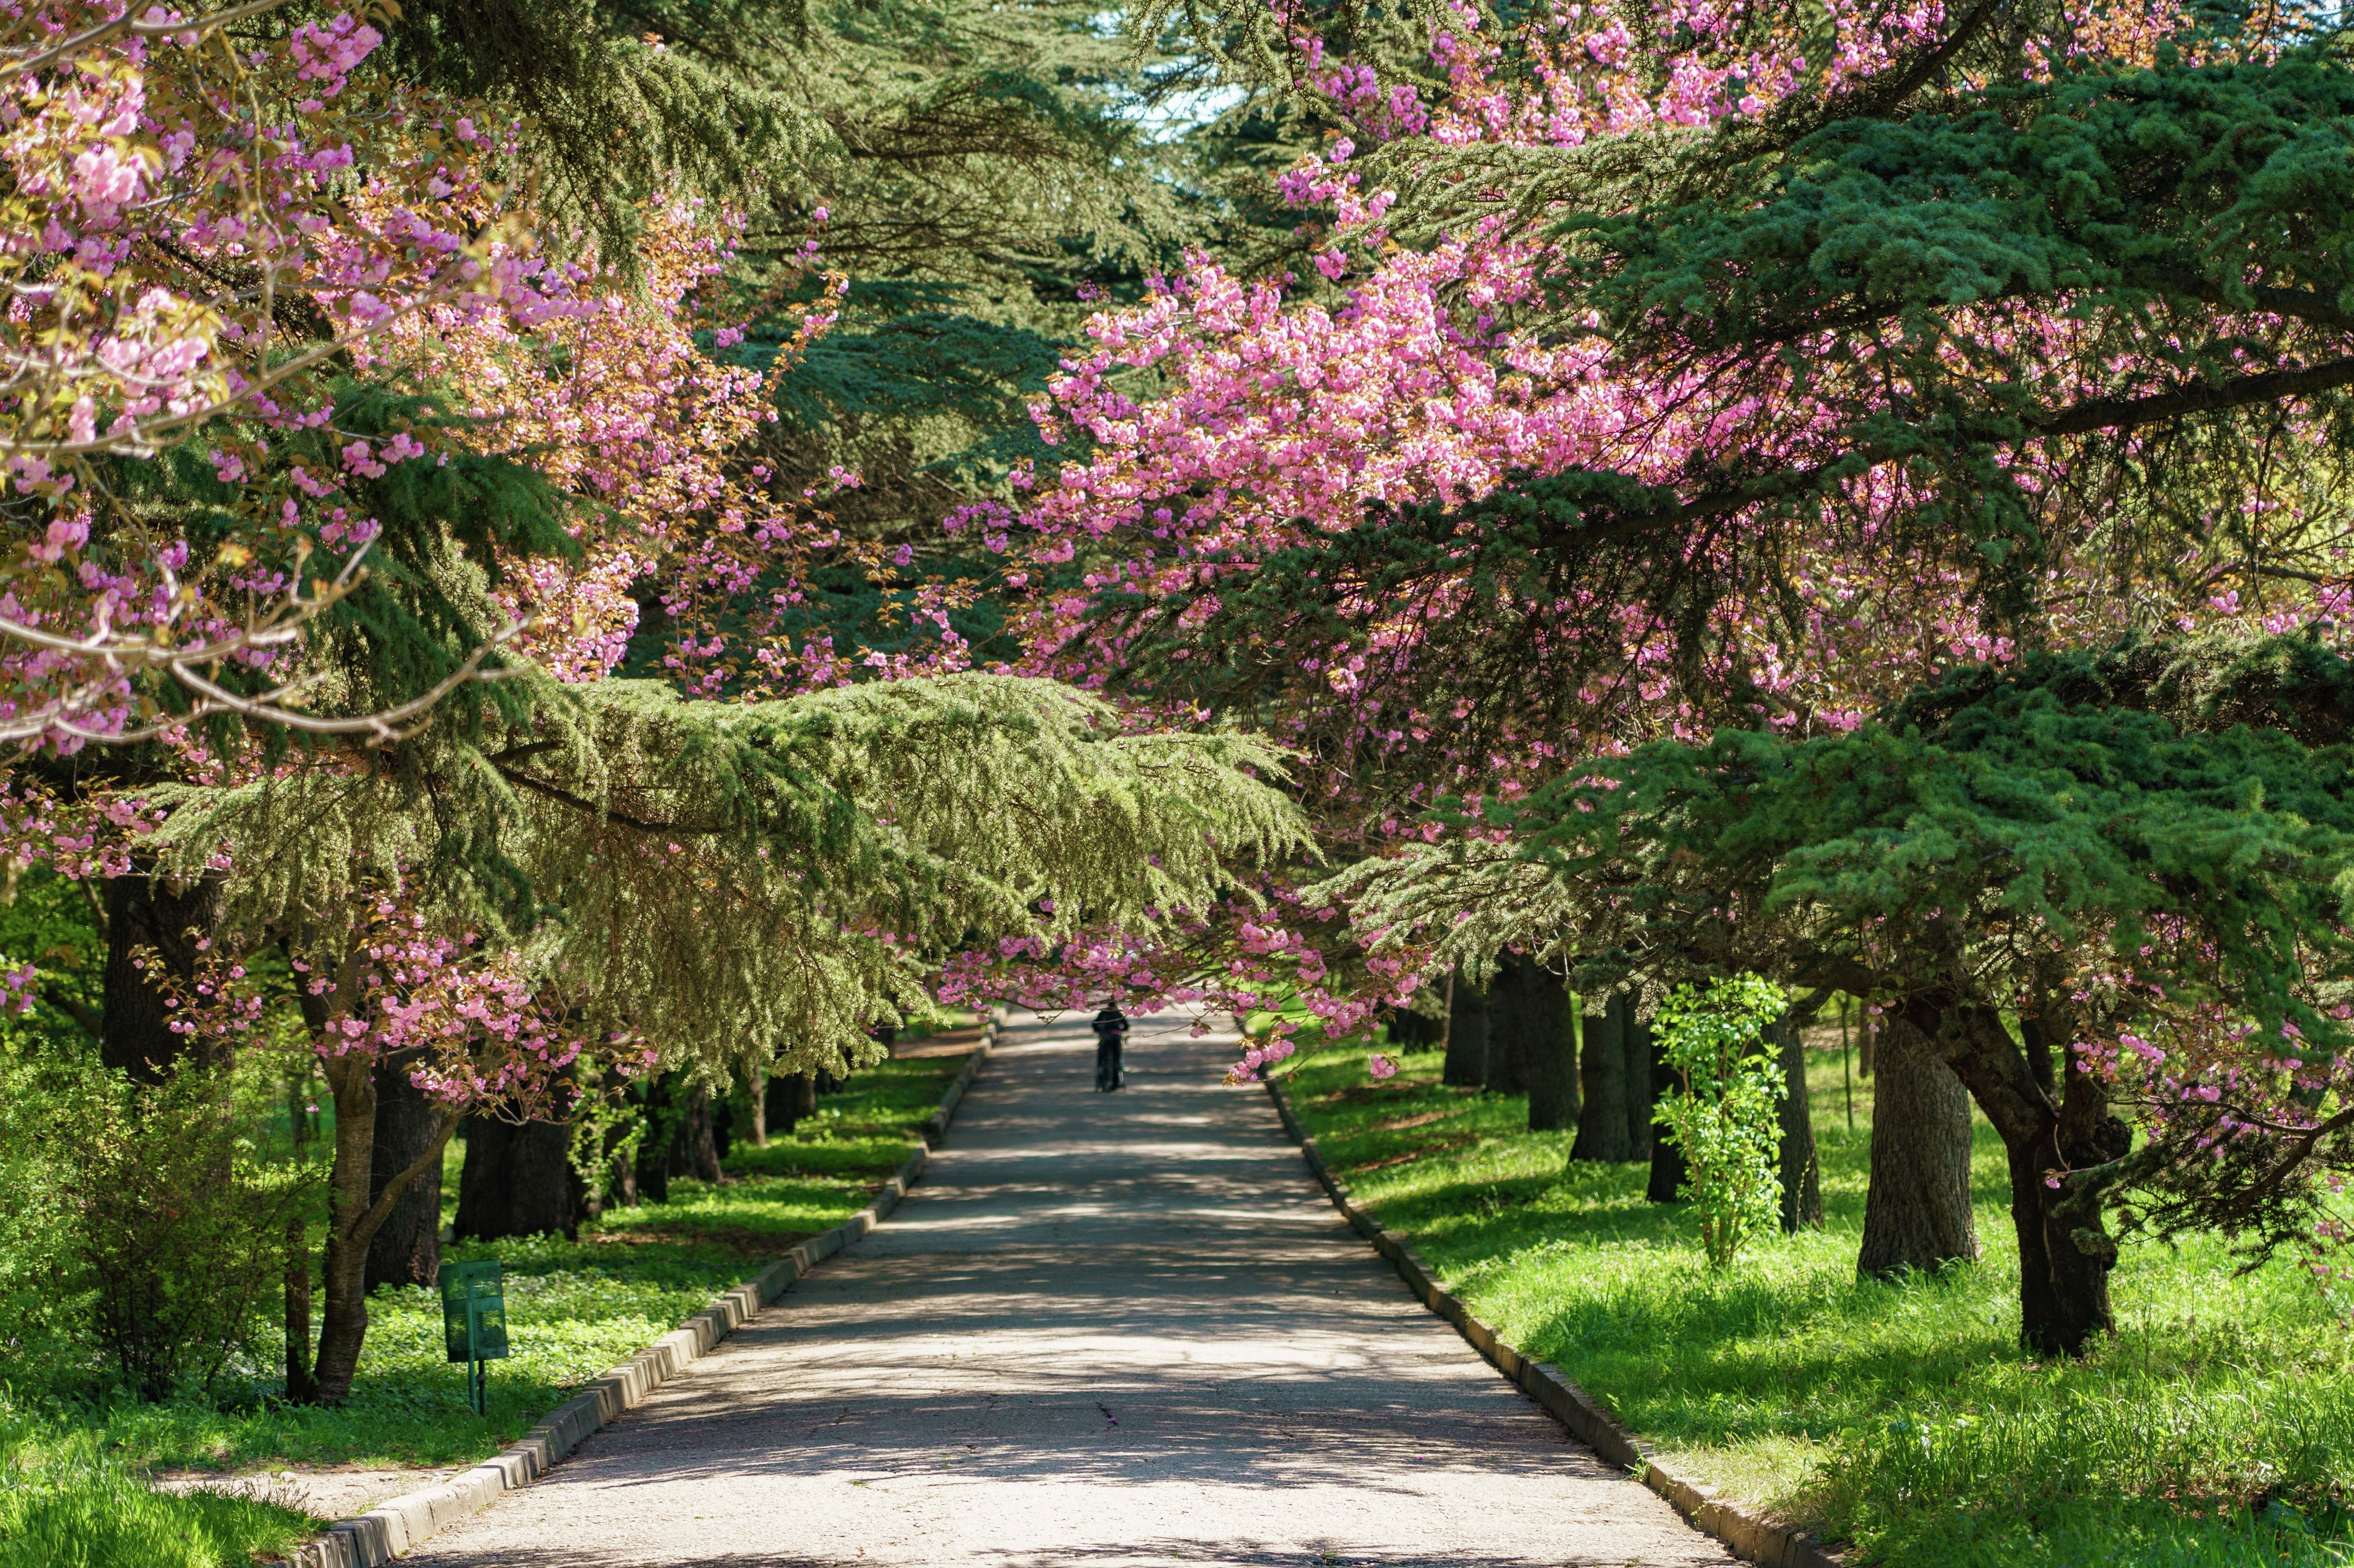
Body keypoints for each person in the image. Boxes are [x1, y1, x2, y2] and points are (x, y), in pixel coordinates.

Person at [1092, 1004, 1129, 1092]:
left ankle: (1104, 1081)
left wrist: (1100, 1031)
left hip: (1105, 1038)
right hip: (1116, 1038)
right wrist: (1120, 1030)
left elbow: (1095, 1025)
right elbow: (1126, 1026)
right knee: (1116, 1060)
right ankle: (1115, 1082)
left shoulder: (1103, 1013)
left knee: (1104, 1060)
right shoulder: (1118, 1014)